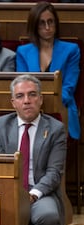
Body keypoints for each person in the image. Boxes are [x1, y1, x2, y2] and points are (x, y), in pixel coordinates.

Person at [0, 74, 66, 225]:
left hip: (40, 191)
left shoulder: (55, 128)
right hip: (7, 191)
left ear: (40, 99)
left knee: (49, 217)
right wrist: (12, 193)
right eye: (21, 96)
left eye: (32, 95)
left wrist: (33, 194)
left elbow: (54, 172)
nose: (27, 101)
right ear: (13, 102)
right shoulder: (0, 125)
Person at [16, 2, 81, 140]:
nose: (47, 27)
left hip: (62, 108)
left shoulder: (71, 50)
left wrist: (46, 103)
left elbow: (69, 87)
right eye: (42, 23)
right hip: (31, 109)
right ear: (34, 26)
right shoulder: (23, 52)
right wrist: (36, 104)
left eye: (50, 22)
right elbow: (22, 84)